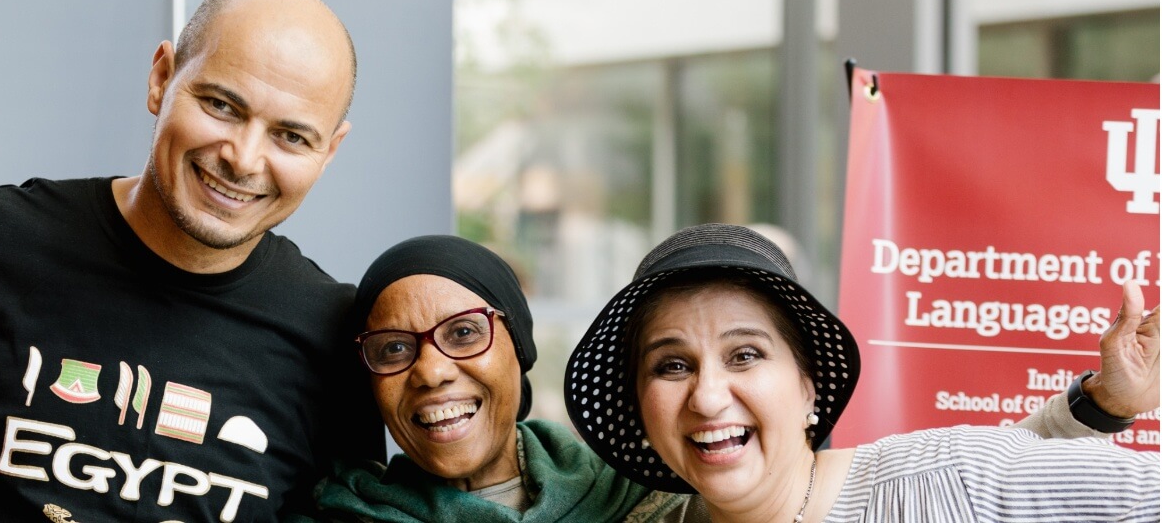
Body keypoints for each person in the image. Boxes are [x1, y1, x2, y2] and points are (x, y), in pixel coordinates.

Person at [0, 0, 383, 522]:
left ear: (330, 151)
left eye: (291, 137)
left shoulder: (336, 344)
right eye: (221, 105)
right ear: (161, 78)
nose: (244, 158)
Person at [564, 224, 1159, 523]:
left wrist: (1103, 401)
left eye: (745, 355)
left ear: (808, 386)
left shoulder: (946, 484)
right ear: (641, 405)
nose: (709, 394)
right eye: (672, 366)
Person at [307, 235, 651, 522]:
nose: (431, 372)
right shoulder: (346, 515)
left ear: (519, 348)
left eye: (463, 332)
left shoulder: (646, 499)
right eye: (394, 347)